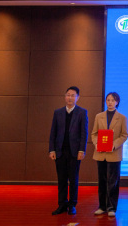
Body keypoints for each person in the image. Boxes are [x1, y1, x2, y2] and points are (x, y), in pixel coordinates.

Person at [49, 86, 88, 216]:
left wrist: (82, 150)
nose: (70, 97)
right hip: (60, 151)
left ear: (78, 98)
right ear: (64, 96)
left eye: (73, 95)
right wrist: (52, 149)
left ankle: (72, 205)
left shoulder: (82, 112)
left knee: (73, 179)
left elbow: (84, 133)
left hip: (74, 152)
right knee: (61, 180)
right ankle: (62, 204)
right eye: (68, 95)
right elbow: (53, 132)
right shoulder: (58, 112)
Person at [91, 92, 128, 217]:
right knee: (102, 181)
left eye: (113, 100)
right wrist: (96, 143)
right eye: (108, 100)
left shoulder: (122, 117)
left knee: (113, 182)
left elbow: (124, 135)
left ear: (117, 102)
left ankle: (111, 207)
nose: (110, 102)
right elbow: (94, 133)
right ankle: (102, 206)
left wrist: (113, 145)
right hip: (100, 153)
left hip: (114, 153)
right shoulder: (99, 116)